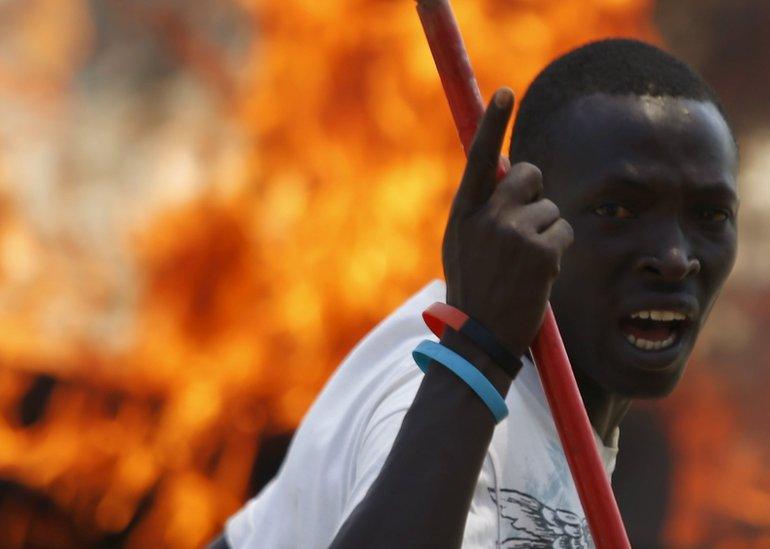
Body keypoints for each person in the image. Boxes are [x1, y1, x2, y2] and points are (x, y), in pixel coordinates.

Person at [213, 37, 739, 548]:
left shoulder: (547, 402)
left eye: (711, 215)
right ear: (524, 217)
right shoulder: (434, 392)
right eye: (617, 211)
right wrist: (478, 349)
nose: (675, 258)